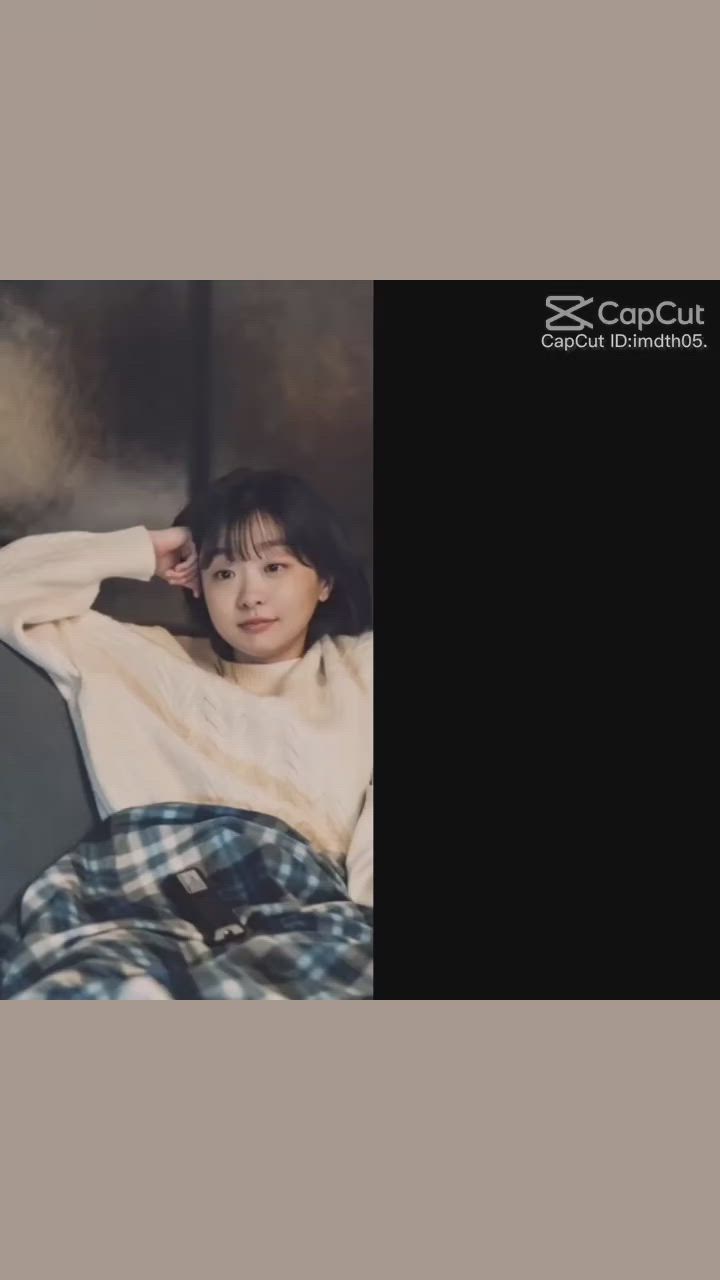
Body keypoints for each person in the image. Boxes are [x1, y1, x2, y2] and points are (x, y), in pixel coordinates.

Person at [0, 468, 373, 998]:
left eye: (274, 566)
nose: (250, 595)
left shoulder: (360, 670)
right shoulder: (135, 655)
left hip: (308, 904)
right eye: (224, 573)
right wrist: (141, 551)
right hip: (146, 895)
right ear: (197, 584)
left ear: (325, 581)